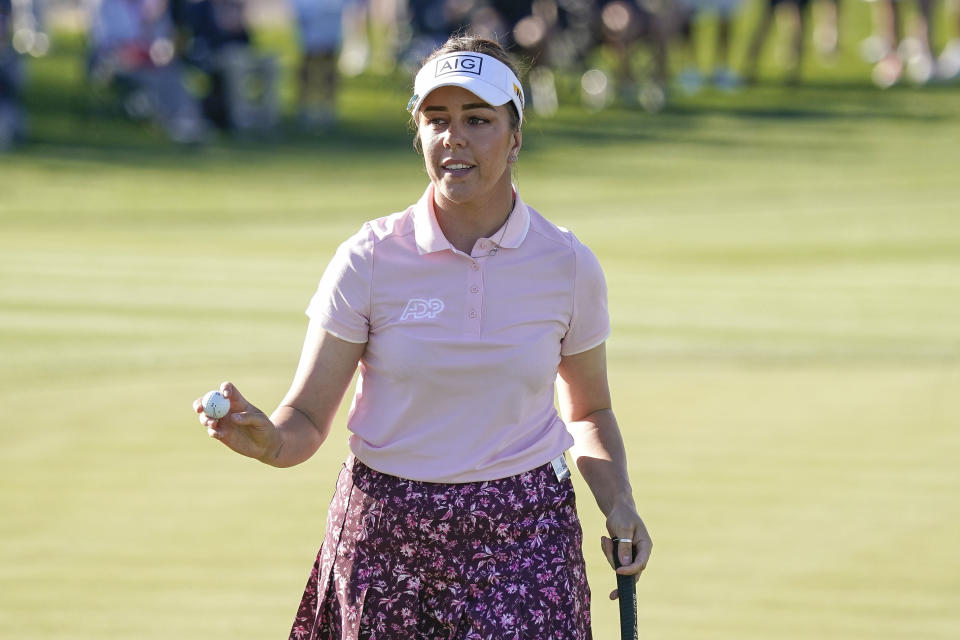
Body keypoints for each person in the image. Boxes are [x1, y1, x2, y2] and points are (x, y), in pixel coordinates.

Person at [193, 34, 651, 640]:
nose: (453, 137)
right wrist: (270, 442)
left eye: (477, 120)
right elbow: (304, 419)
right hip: (386, 536)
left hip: (524, 533)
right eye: (436, 120)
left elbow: (589, 409)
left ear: (516, 137)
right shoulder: (370, 257)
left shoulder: (566, 264)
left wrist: (618, 501)